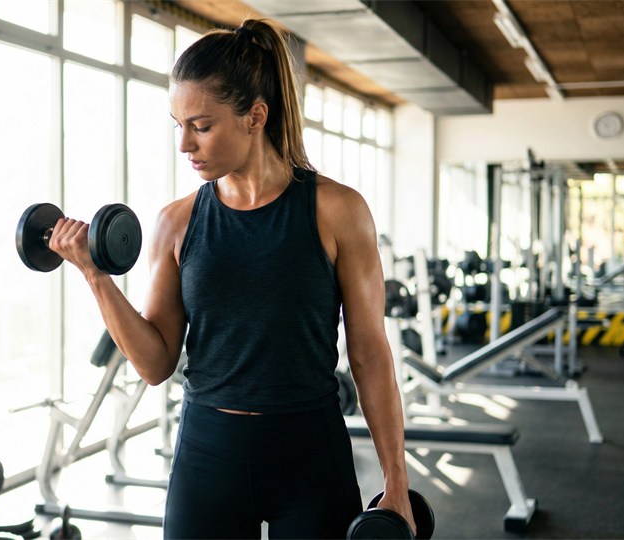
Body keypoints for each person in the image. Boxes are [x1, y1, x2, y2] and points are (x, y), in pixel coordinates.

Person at [48, 18, 414, 539]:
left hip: (309, 452)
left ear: (255, 117)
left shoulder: (337, 211)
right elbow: (155, 364)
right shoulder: (176, 222)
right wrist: (93, 273)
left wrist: (396, 480)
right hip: (208, 452)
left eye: (200, 125)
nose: (185, 145)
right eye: (177, 125)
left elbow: (370, 354)